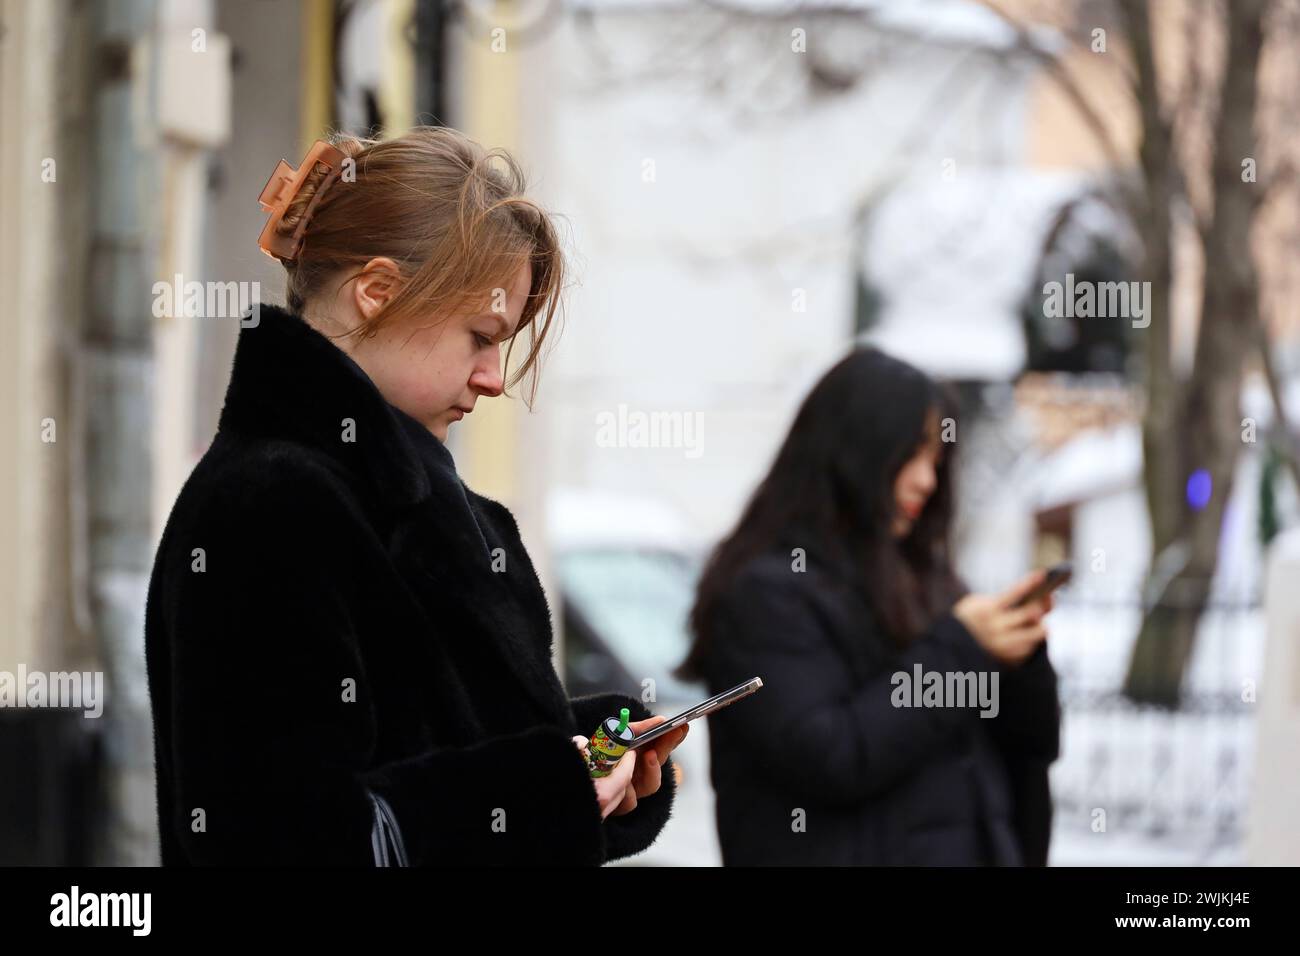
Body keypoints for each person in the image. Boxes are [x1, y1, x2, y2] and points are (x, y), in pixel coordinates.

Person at [144, 127, 686, 866]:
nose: (495, 377)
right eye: (480, 335)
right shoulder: (271, 509)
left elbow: (435, 742)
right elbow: (284, 840)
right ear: (376, 294)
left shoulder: (415, 505)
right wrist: (544, 786)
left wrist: (585, 750)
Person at [678, 347, 1061, 865]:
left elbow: (1026, 748)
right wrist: (960, 649)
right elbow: (830, 757)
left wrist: (1019, 659)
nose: (926, 480)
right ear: (852, 449)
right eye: (911, 454)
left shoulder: (928, 579)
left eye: (936, 459)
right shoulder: (764, 595)